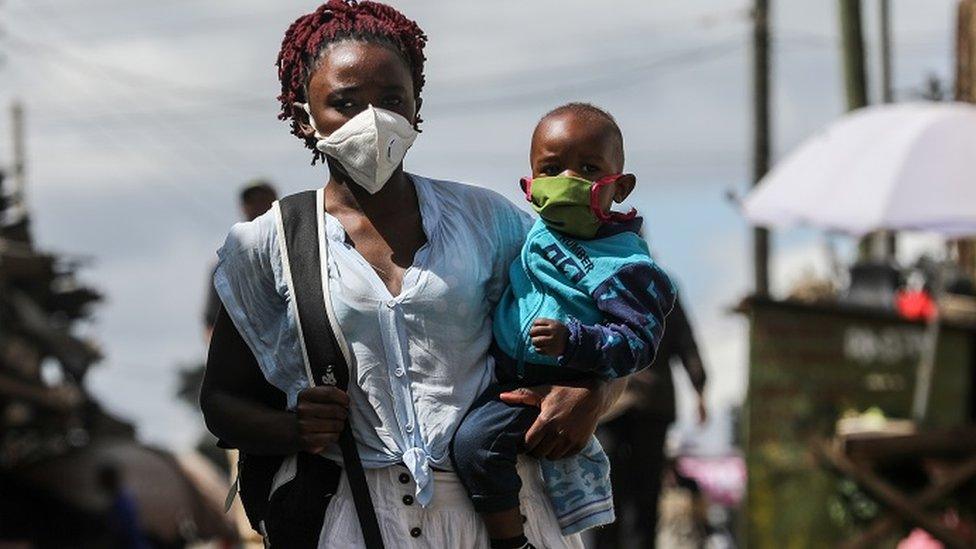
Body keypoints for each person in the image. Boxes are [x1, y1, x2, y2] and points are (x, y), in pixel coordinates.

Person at [199, 2, 630, 547]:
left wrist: (593, 395)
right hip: (356, 516)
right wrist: (292, 428)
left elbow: (608, 320)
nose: (371, 119)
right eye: (345, 103)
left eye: (391, 100)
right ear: (304, 115)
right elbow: (222, 402)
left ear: (416, 107)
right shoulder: (269, 243)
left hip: (504, 515)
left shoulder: (489, 221)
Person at [450, 103, 676, 549]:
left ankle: (512, 541)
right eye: (552, 169)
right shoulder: (529, 232)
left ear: (621, 186)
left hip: (550, 389)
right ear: (531, 186)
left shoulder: (625, 265)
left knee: (476, 446)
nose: (569, 180)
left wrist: (574, 343)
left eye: (589, 168)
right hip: (502, 377)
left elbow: (637, 346)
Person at [594, 295, 708, 549]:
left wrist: (699, 389)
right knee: (608, 488)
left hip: (647, 404)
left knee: (641, 491)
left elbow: (685, 341)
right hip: (613, 405)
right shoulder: (605, 280)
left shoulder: (659, 289)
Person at [202, 181, 278, 341]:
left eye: (263, 200)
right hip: (245, 347)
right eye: (251, 202)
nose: (258, 207)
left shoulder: (292, 253)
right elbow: (211, 323)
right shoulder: (224, 266)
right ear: (243, 208)